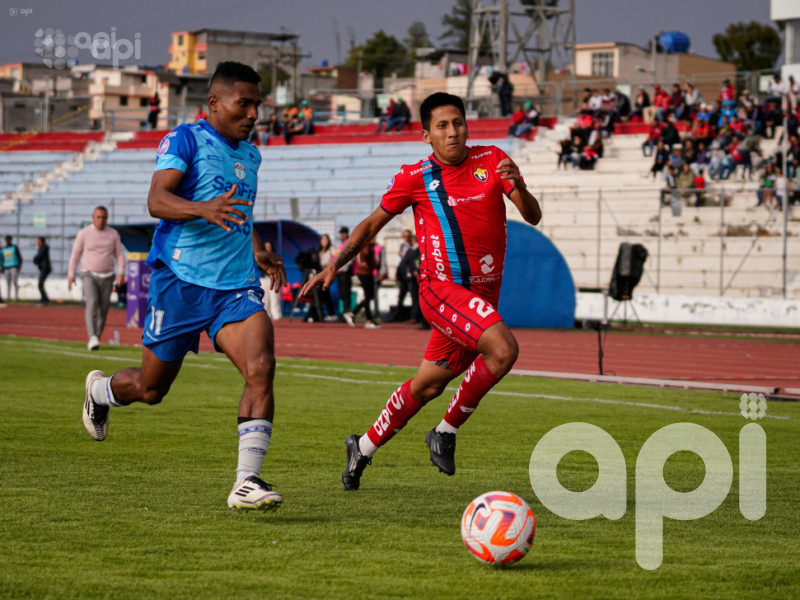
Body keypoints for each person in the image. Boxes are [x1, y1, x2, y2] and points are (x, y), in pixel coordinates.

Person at [300, 92, 541, 490]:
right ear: (426, 134)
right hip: (440, 291)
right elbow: (371, 225)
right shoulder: (415, 177)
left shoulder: (493, 160)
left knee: (427, 385)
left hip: (478, 301)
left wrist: (520, 186)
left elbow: (532, 216)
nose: (453, 132)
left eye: (458, 123)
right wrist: (334, 264)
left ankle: (362, 446)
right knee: (503, 350)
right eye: (442, 126)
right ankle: (445, 431)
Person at [79, 61, 287, 513]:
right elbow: (157, 200)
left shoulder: (250, 154)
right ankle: (100, 392)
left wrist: (255, 248)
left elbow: (239, 209)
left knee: (261, 366)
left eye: (257, 105)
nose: (253, 114)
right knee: (151, 390)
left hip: (234, 286)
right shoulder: (184, 139)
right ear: (214, 103)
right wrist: (201, 208)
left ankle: (245, 482)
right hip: (180, 283)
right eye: (244, 104)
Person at [67, 207, 125, 350]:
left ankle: (96, 338)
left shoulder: (113, 234)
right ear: (93, 217)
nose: (101, 220)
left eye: (104, 217)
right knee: (92, 303)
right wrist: (71, 275)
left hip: (108, 275)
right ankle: (92, 336)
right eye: (98, 217)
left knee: (104, 309)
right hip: (89, 273)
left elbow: (119, 254)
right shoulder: (84, 233)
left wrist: (121, 272)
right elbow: (75, 254)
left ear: (107, 218)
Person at [350, 240, 380, 329]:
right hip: (364, 273)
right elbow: (366, 254)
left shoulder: (369, 246)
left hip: (367, 273)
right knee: (368, 296)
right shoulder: (366, 246)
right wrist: (373, 262)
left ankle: (353, 313)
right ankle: (369, 320)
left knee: (369, 296)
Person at [335, 226, 356, 326]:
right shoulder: (340, 245)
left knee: (346, 293)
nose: (342, 235)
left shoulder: (349, 243)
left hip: (345, 272)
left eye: (344, 233)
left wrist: (341, 269)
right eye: (341, 233)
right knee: (342, 294)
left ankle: (348, 313)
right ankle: (344, 314)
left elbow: (349, 258)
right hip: (340, 272)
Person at [260, 240, 283, 321]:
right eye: (266, 246)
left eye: (269, 246)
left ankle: (276, 314)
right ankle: (266, 314)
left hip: (274, 278)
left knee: (274, 297)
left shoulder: (276, 256)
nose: (268, 248)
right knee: (264, 297)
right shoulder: (261, 256)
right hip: (264, 278)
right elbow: (260, 267)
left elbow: (279, 266)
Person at [317, 234, 337, 320]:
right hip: (320, 273)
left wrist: (331, 267)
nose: (324, 241)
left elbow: (336, 257)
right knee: (324, 293)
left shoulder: (331, 249)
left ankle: (325, 313)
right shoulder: (319, 251)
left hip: (328, 273)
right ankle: (326, 313)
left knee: (323, 291)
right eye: (322, 239)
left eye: (326, 239)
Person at [2, 235, 22, 301]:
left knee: (15, 282)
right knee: (8, 283)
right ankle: (8, 296)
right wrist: (2, 267)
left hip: (14, 266)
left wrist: (19, 266)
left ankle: (16, 296)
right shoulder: (4, 249)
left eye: (9, 240)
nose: (8, 241)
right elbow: (2, 259)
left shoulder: (14, 247)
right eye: (7, 240)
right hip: (6, 267)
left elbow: (19, 257)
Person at [33, 236, 51, 305]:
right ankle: (44, 299)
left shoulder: (43, 248)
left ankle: (45, 299)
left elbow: (39, 256)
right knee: (40, 284)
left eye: (38, 241)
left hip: (45, 268)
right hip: (44, 268)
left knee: (40, 284)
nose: (37, 243)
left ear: (41, 242)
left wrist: (35, 259)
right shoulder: (42, 248)